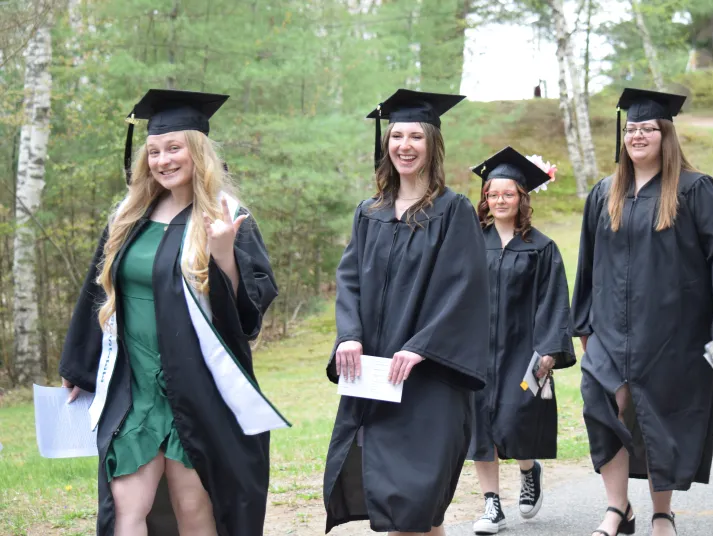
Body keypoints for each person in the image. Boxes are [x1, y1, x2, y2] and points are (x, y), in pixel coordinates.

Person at [59, 89, 289, 536]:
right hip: (134, 383)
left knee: (192, 507)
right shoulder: (129, 217)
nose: (163, 160)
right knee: (126, 504)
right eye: (154, 151)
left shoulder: (228, 217)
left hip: (196, 386)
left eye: (174, 148)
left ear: (197, 151)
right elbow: (99, 291)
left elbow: (247, 317)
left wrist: (223, 255)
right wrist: (78, 366)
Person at [570, 88, 713, 536]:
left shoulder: (695, 190)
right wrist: (583, 323)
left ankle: (661, 513)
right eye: (631, 129)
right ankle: (617, 509)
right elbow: (588, 261)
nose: (637, 136)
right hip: (609, 330)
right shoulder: (605, 194)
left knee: (660, 418)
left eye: (647, 129)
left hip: (671, 331)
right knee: (601, 410)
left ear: (666, 134)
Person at [323, 89, 490, 536]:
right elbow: (350, 280)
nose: (405, 145)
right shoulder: (369, 212)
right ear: (386, 143)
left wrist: (420, 347)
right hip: (377, 376)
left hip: (429, 380)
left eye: (416, 135)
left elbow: (465, 289)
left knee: (415, 504)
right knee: (414, 512)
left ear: (432, 144)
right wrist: (349, 335)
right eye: (397, 135)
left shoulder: (452, 211)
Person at [467, 147, 576, 534]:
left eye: (508, 194)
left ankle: (529, 469)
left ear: (522, 198)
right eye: (493, 194)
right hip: (476, 349)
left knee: (516, 420)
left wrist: (549, 349)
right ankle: (492, 505)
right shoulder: (469, 242)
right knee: (481, 427)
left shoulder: (541, 248)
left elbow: (554, 299)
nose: (499, 200)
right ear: (485, 198)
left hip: (522, 348)